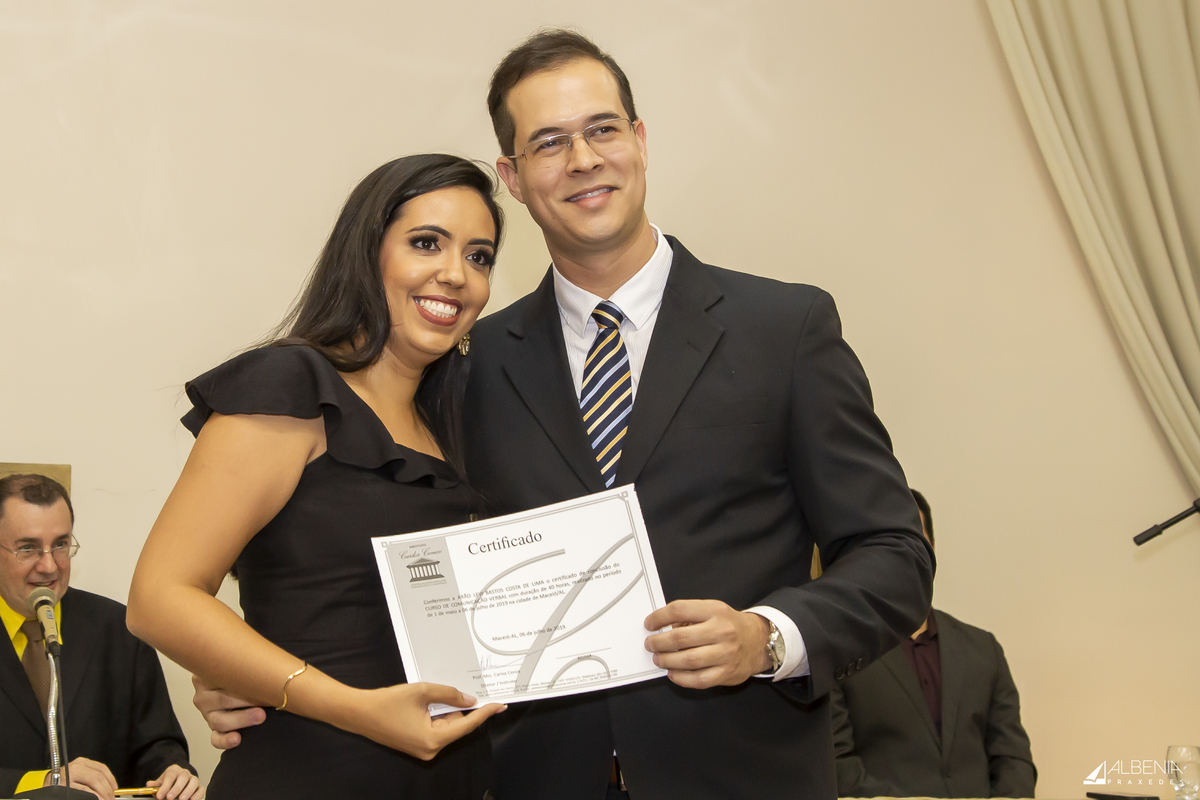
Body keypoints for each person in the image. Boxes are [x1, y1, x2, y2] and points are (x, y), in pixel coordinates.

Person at [195, 31, 935, 800]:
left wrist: (769, 637)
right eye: (549, 143)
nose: (582, 159)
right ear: (513, 178)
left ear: (639, 141)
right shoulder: (465, 366)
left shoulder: (785, 330)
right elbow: (377, 557)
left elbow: (892, 553)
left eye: (602, 129)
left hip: (742, 776)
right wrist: (265, 678)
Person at [126, 154, 507, 799]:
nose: (455, 274)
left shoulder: (455, 423)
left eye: (479, 256)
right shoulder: (292, 384)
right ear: (366, 252)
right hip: (308, 776)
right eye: (426, 243)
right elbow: (159, 600)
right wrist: (355, 709)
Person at [0, 474, 201, 800]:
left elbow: (156, 746)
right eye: (28, 548)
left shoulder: (121, 628)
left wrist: (173, 774)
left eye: (60, 545)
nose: (49, 566)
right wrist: (43, 781)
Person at [830, 489, 1036, 798]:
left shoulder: (984, 649)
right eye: (887, 542)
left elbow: (1013, 761)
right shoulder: (840, 652)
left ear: (932, 550)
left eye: (913, 540)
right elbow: (838, 767)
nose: (900, 555)